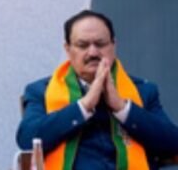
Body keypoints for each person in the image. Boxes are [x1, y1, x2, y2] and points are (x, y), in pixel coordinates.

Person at [16, 10, 178, 169]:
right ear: (68, 49)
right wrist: (83, 106)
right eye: (82, 45)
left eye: (100, 44)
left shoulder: (143, 91)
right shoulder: (42, 91)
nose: (93, 52)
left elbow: (173, 143)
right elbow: (27, 139)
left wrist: (122, 108)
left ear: (113, 45)